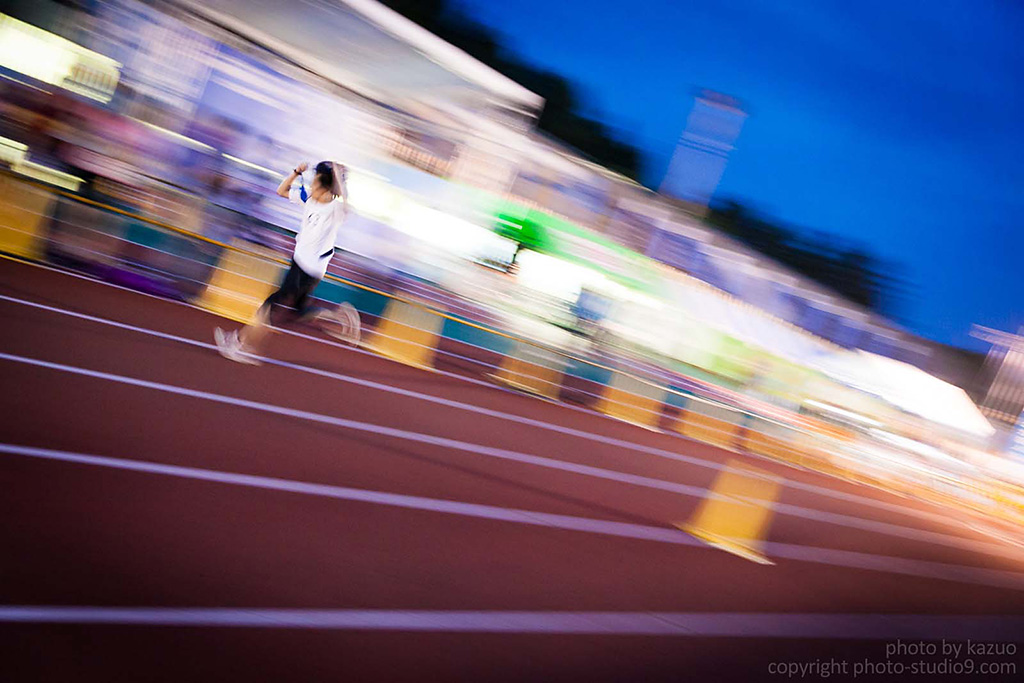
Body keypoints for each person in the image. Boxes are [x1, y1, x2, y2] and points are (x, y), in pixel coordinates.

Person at [215, 160, 348, 364]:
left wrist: (338, 175)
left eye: (315, 180)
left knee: (271, 305)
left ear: (324, 183)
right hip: (300, 263)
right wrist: (296, 173)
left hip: (308, 269)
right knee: (298, 312)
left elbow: (345, 203)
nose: (312, 183)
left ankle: (241, 343)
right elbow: (281, 191)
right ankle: (338, 316)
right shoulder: (309, 200)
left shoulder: (335, 210)